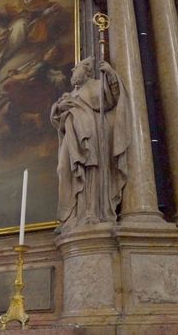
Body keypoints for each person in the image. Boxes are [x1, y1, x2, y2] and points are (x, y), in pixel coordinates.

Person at [50, 57, 130, 232]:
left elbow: (113, 99)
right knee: (63, 168)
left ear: (86, 70)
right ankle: (71, 215)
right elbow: (56, 119)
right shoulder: (71, 93)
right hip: (71, 135)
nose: (72, 73)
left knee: (91, 169)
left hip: (89, 134)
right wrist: (59, 108)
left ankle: (90, 212)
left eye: (75, 69)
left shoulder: (95, 85)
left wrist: (110, 73)